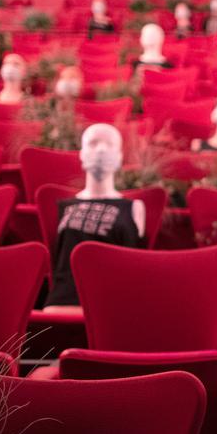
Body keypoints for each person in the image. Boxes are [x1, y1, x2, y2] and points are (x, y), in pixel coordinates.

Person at [45, 124, 146, 310]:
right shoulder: (62, 206)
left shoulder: (134, 208)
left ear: (119, 157)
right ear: (81, 153)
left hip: (113, 308)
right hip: (63, 304)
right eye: (93, 143)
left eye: (110, 144)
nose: (101, 149)